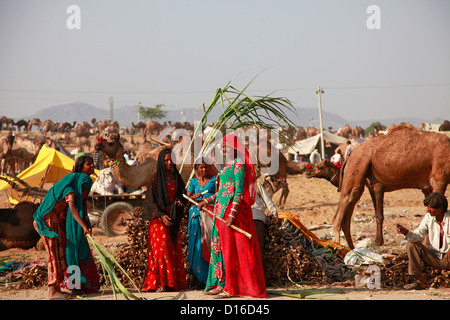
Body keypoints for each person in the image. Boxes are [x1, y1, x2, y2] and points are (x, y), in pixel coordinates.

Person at [198, 133, 266, 299]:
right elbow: (222, 191)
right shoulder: (227, 166)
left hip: (230, 214)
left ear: (235, 147)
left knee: (231, 251)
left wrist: (232, 215)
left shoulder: (238, 164)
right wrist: (206, 201)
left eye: (226, 146)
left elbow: (238, 191)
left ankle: (232, 287)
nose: (224, 149)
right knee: (218, 249)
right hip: (219, 213)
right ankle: (220, 283)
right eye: (223, 147)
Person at [33, 155, 99, 300]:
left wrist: (86, 222)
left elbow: (81, 206)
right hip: (48, 221)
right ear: (81, 168)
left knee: (60, 254)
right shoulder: (70, 189)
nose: (93, 166)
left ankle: (63, 288)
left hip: (55, 220)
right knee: (54, 256)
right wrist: (84, 226)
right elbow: (74, 210)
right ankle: (53, 292)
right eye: (89, 164)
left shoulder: (77, 185)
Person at [141, 148, 187, 292]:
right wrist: (161, 215)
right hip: (158, 220)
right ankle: (160, 283)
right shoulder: (155, 179)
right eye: (166, 160)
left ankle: (171, 284)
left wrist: (179, 201)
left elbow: (182, 194)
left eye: (171, 160)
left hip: (173, 218)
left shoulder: (177, 177)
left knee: (173, 250)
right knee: (162, 251)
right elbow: (151, 201)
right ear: (161, 162)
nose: (169, 163)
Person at [397, 192, 450, 290]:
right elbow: (418, 235)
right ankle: (419, 281)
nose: (428, 210)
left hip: (448, 257)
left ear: (440, 209)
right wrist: (406, 232)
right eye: (427, 207)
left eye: (431, 207)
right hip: (435, 257)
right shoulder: (428, 217)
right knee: (411, 245)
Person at [186, 159, 217, 288]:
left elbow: (219, 193)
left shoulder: (214, 179)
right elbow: (187, 200)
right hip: (195, 216)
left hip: (209, 215)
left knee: (206, 244)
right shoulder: (193, 182)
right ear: (196, 169)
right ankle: (196, 277)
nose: (204, 170)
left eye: (205, 167)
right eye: (201, 168)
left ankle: (207, 278)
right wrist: (193, 198)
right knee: (196, 245)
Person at [252, 181, 278, 258]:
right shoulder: (256, 184)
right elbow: (267, 200)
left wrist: (274, 212)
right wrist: (274, 213)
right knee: (258, 247)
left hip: (250, 218)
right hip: (257, 218)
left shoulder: (238, 185)